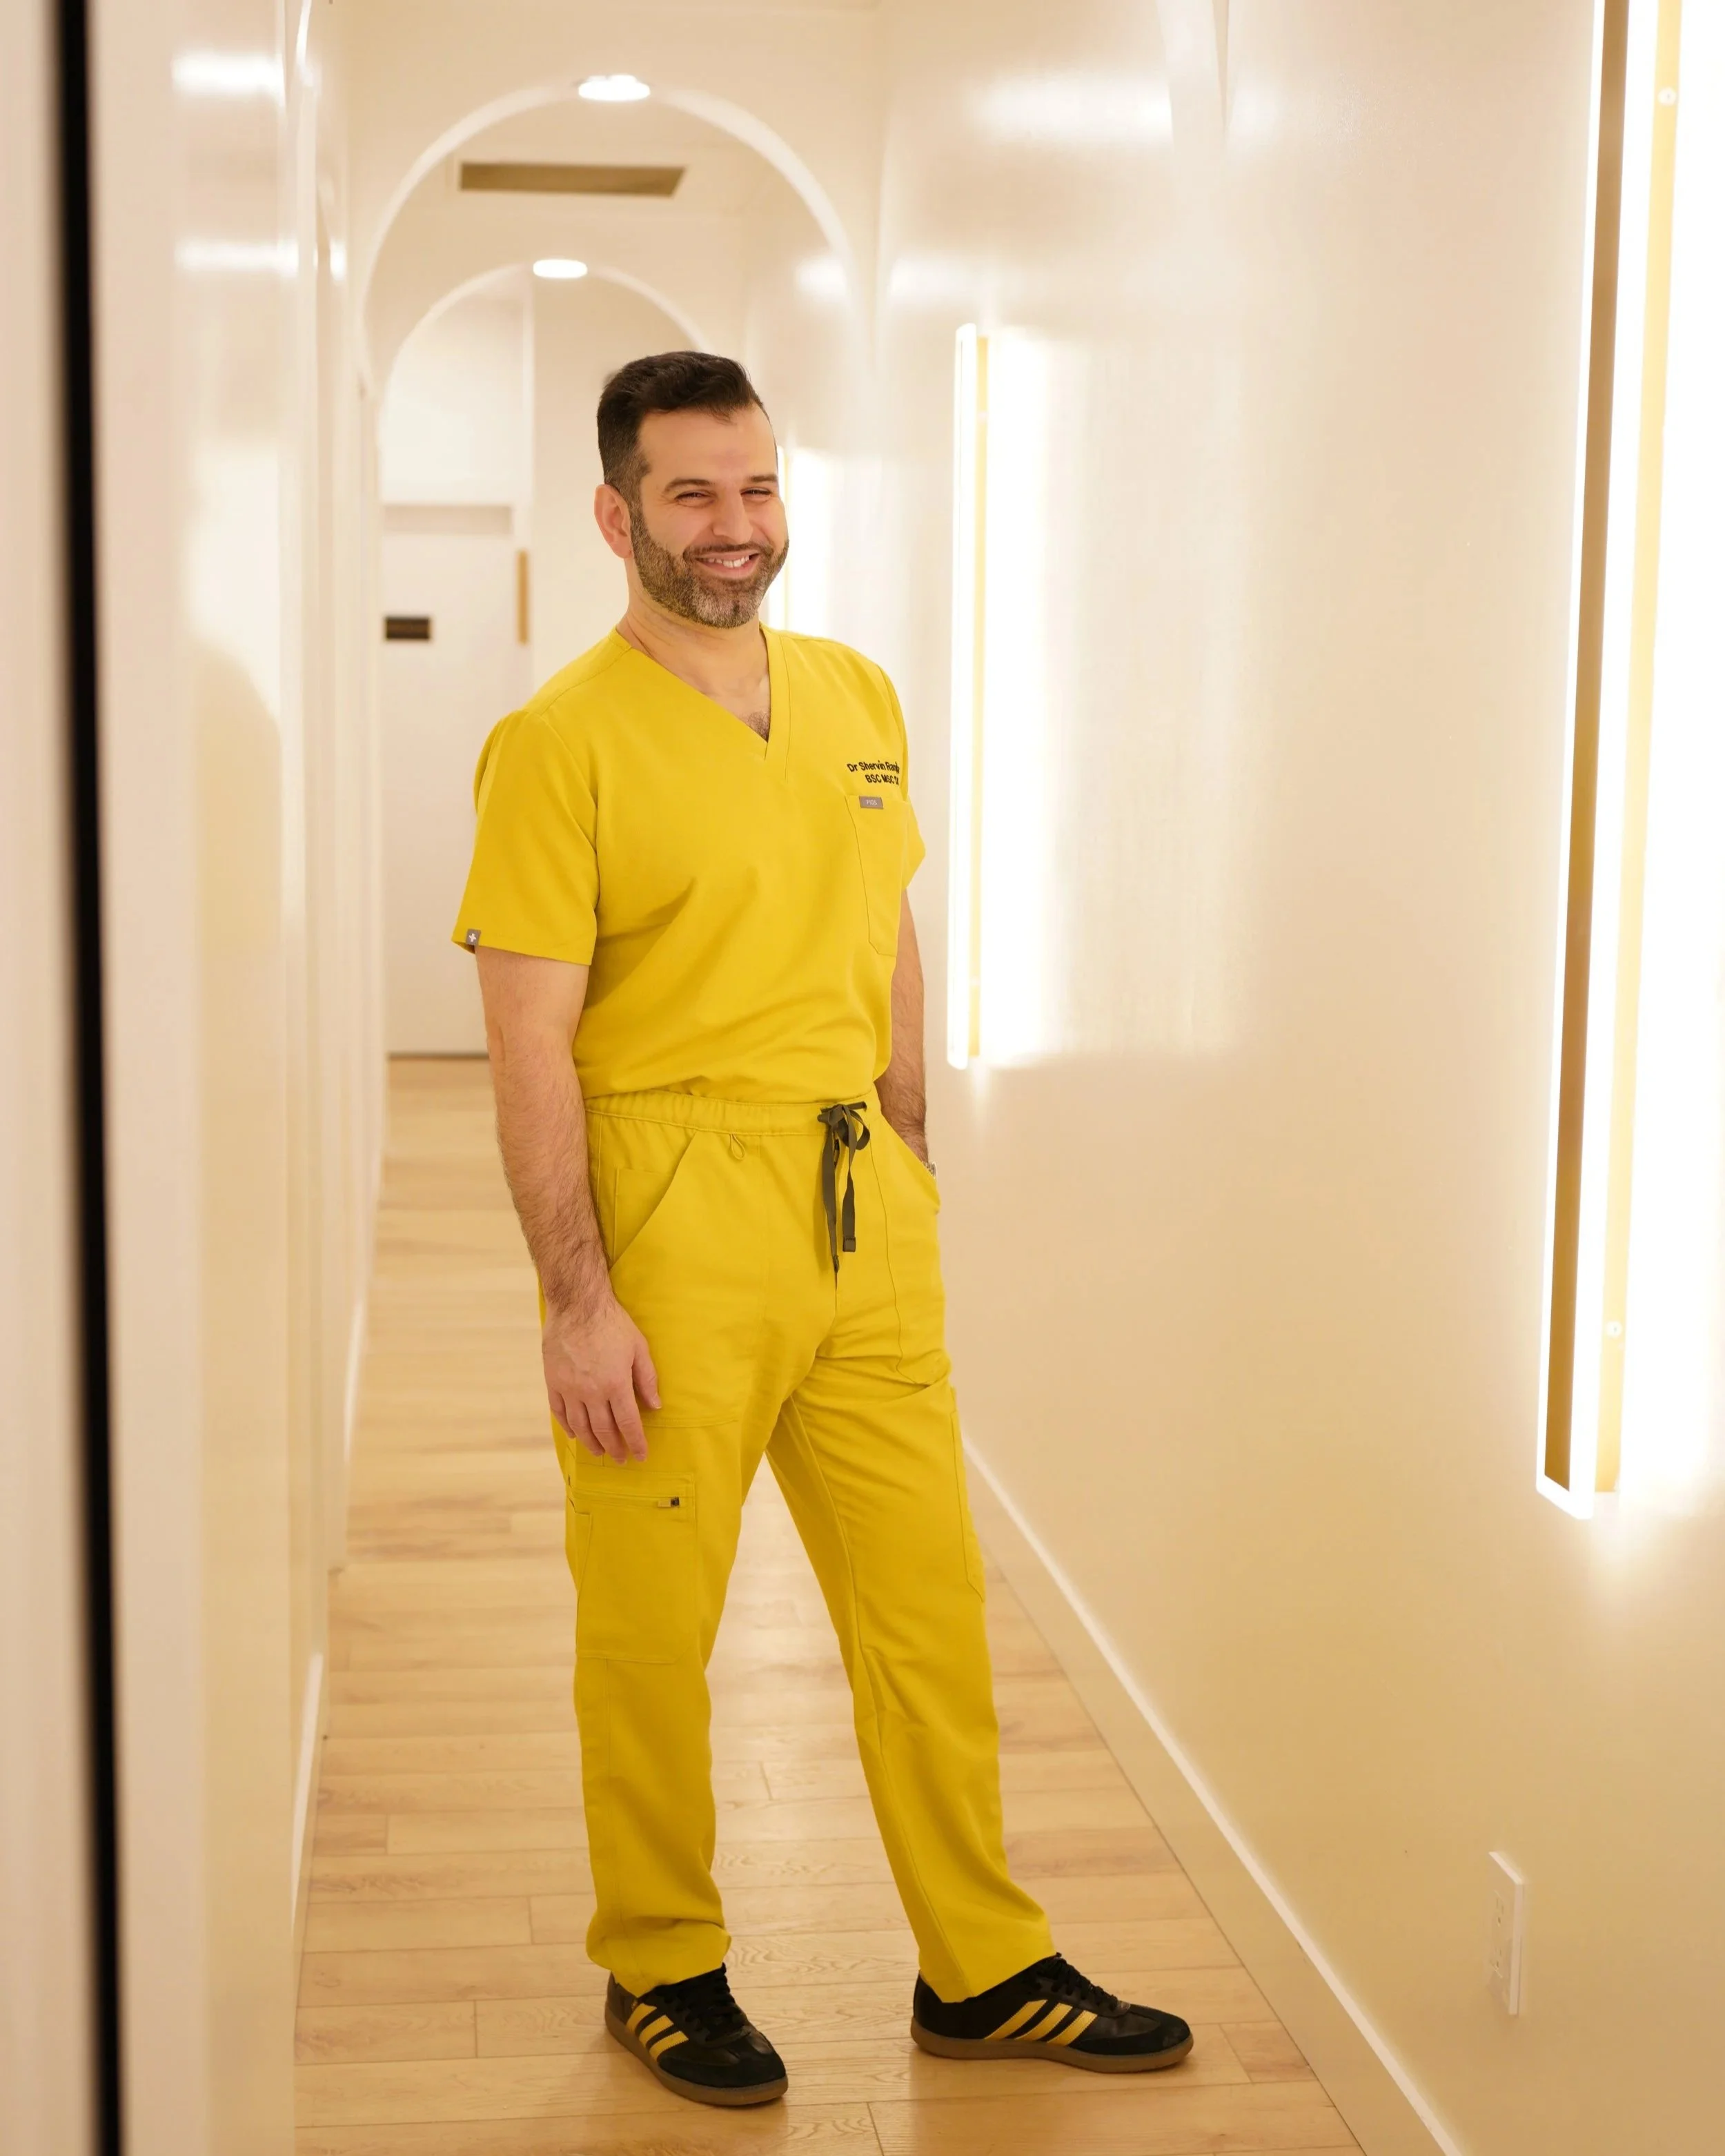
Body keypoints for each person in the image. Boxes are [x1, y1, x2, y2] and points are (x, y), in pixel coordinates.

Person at [453, 351, 1192, 2108]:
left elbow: (885, 916)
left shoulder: (856, 691)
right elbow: (526, 1038)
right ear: (615, 512)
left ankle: (982, 1959)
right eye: (694, 493)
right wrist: (576, 1294)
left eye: (759, 487)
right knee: (652, 1620)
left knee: (923, 1603)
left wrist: (912, 1125)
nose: (735, 527)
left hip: (861, 1209)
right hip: (671, 1202)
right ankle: (661, 1956)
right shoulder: (557, 744)